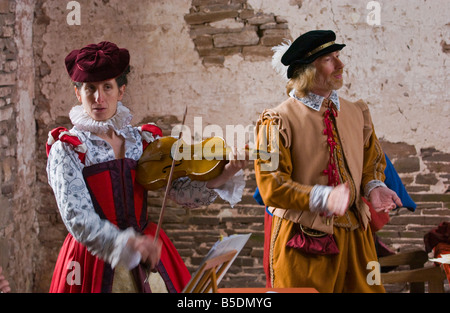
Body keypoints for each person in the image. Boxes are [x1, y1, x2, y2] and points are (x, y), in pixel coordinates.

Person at [46, 41, 247, 293]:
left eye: (107, 87)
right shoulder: (67, 148)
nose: (98, 97)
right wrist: (129, 245)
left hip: (149, 250)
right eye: (90, 89)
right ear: (78, 93)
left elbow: (180, 193)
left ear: (121, 91)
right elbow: (77, 218)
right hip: (94, 260)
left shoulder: (140, 141)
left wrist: (228, 172)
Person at [254, 30, 402, 293]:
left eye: (338, 56)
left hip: (358, 238)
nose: (340, 64)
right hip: (303, 241)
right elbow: (270, 185)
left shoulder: (357, 112)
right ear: (308, 70)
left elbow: (371, 161)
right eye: (329, 59)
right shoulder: (276, 121)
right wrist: (324, 197)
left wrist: (374, 187)